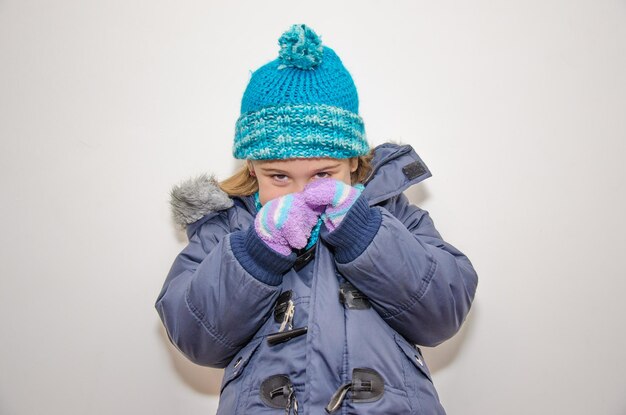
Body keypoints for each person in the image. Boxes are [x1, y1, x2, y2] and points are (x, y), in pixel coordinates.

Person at [155, 23, 478, 414]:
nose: (301, 194)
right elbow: (196, 337)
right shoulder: (227, 226)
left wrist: (364, 233)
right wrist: (257, 252)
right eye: (279, 177)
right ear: (253, 168)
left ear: (353, 161)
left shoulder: (391, 213)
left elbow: (443, 313)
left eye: (323, 174)